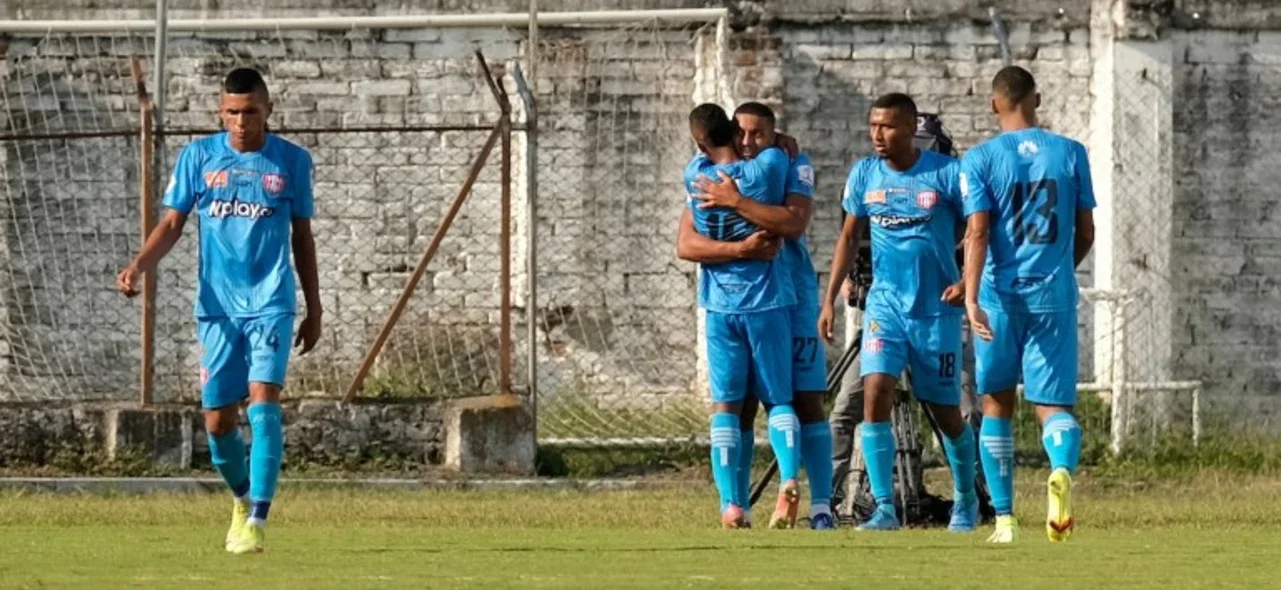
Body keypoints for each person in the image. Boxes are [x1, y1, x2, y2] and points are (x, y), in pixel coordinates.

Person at [116, 67, 322, 554]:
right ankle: (241, 499)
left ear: (268, 110)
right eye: (232, 112)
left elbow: (303, 237)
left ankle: (257, 521)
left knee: (264, 402)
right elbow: (172, 223)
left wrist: (314, 308)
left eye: (251, 112)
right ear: (220, 112)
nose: (241, 122)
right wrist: (138, 265)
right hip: (217, 309)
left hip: (271, 301)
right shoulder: (199, 157)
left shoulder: (292, 161)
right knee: (217, 423)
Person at [818, 93, 979, 532]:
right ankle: (885, 508)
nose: (877, 135)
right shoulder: (864, 175)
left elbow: (981, 229)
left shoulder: (947, 175)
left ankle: (966, 499)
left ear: (911, 129)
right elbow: (849, 238)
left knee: (946, 413)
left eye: (887, 126)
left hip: (935, 312)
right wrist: (829, 298)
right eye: (873, 126)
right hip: (885, 307)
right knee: (874, 393)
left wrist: (966, 281)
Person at [960, 65, 1095, 544]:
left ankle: (1004, 520)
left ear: (994, 104)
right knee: (1053, 405)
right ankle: (1060, 470)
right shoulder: (1072, 153)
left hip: (1000, 295)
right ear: (1036, 99)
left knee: (996, 401)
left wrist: (971, 297)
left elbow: (977, 231)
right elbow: (1086, 233)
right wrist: (1060, 267)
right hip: (1053, 293)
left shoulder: (979, 159)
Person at [685, 102, 834, 530]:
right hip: (760, 302)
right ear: (732, 133)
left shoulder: (792, 162)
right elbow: (685, 244)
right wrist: (739, 248)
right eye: (742, 134)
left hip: (794, 297)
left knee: (805, 400)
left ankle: (821, 507)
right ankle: (747, 504)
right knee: (752, 405)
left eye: (759, 134)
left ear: (774, 134)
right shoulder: (765, 164)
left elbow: (794, 222)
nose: (749, 142)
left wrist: (734, 200)